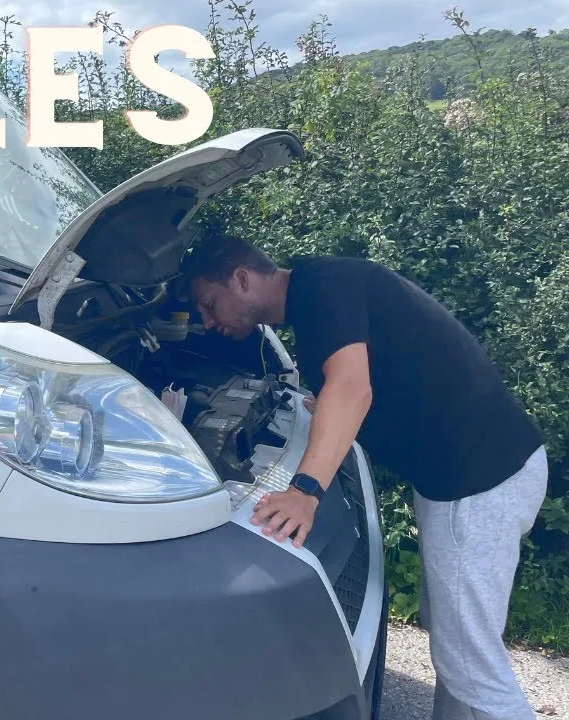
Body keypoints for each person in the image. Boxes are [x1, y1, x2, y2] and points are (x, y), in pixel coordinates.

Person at [181, 232, 547, 720]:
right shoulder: (324, 286)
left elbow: (353, 390)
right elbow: (377, 377)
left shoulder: (322, 289)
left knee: (470, 665)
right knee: (456, 641)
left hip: (479, 482)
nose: (207, 320)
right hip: (482, 472)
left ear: (242, 279)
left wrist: (304, 492)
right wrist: (323, 408)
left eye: (209, 303)